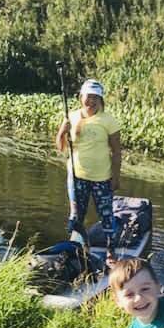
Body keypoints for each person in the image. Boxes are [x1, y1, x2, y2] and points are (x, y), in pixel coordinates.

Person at [55, 79, 121, 258]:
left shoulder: (108, 120)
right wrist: (62, 131)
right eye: (87, 97)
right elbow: (60, 147)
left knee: (106, 215)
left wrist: (115, 177)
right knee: (76, 216)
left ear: (100, 100)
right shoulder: (72, 116)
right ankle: (79, 247)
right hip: (77, 176)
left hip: (102, 177)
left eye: (95, 97)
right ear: (80, 97)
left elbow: (116, 151)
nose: (91, 101)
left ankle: (111, 251)